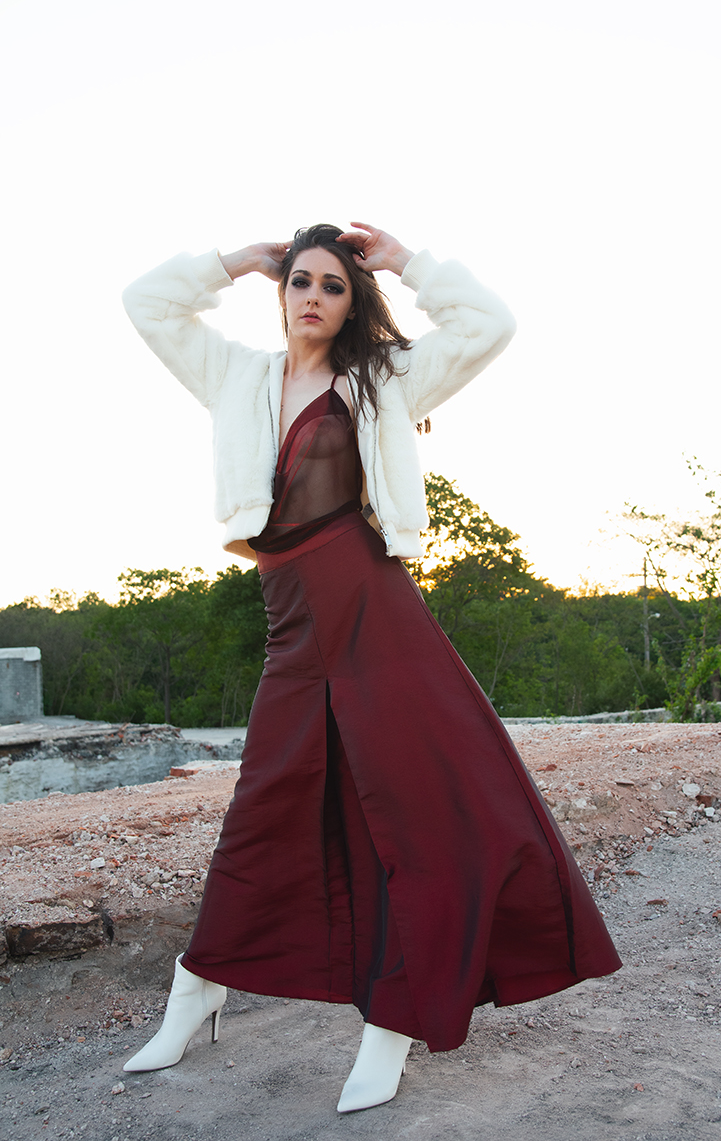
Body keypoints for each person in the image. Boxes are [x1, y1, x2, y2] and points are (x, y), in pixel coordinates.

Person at [121, 222, 621, 1113]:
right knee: (263, 804)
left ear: (353, 303)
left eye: (333, 285)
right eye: (301, 281)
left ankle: (393, 1021)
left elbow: (490, 324)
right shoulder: (233, 373)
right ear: (280, 292)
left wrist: (405, 261)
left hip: (370, 603)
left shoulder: (383, 378)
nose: (313, 296)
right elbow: (147, 304)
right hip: (291, 613)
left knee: (413, 802)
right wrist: (239, 260)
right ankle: (197, 987)